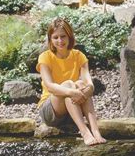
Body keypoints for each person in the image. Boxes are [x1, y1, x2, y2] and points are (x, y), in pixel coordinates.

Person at [36, 18, 106, 146]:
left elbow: (88, 82)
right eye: (55, 37)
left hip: (72, 109)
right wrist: (72, 91)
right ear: (50, 39)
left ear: (69, 36)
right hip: (50, 110)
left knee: (81, 84)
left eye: (63, 36)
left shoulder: (79, 56)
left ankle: (95, 131)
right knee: (70, 85)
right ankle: (85, 132)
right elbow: (50, 86)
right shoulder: (45, 57)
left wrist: (89, 88)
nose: (60, 41)